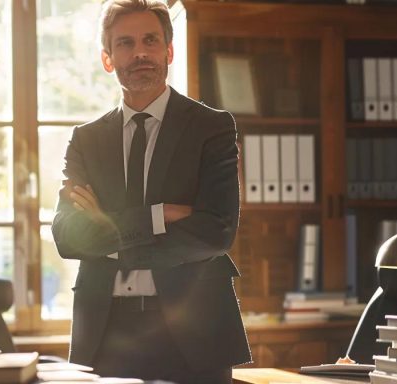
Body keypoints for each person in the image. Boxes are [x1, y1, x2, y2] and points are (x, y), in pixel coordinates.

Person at [50, 0, 251, 382]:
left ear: (168, 51)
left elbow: (216, 231)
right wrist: (160, 215)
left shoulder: (212, 128)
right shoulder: (85, 140)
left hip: (193, 333)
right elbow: (67, 237)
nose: (140, 52)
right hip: (104, 334)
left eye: (150, 40)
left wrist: (108, 229)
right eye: (125, 43)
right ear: (108, 59)